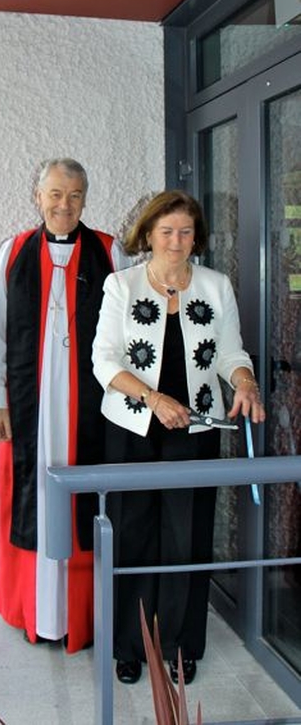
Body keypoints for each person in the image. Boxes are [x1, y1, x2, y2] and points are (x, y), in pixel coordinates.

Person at [92, 189, 265, 686]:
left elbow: (231, 352)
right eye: (166, 231)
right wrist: (152, 398)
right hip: (131, 425)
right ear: (148, 235)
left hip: (196, 426)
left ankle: (180, 645)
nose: (176, 241)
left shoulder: (216, 285)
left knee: (186, 538)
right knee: (131, 535)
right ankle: (128, 644)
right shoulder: (120, 286)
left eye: (186, 231)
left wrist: (245, 380)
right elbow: (103, 361)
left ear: (197, 237)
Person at [0, 157, 123, 653]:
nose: (65, 204)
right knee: (32, 493)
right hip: (31, 401)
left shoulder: (108, 251)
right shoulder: (15, 252)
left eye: (75, 195)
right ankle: (33, 609)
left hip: (91, 405)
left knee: (86, 499)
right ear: (38, 197)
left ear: (86, 199)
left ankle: (82, 612)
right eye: (56, 194)